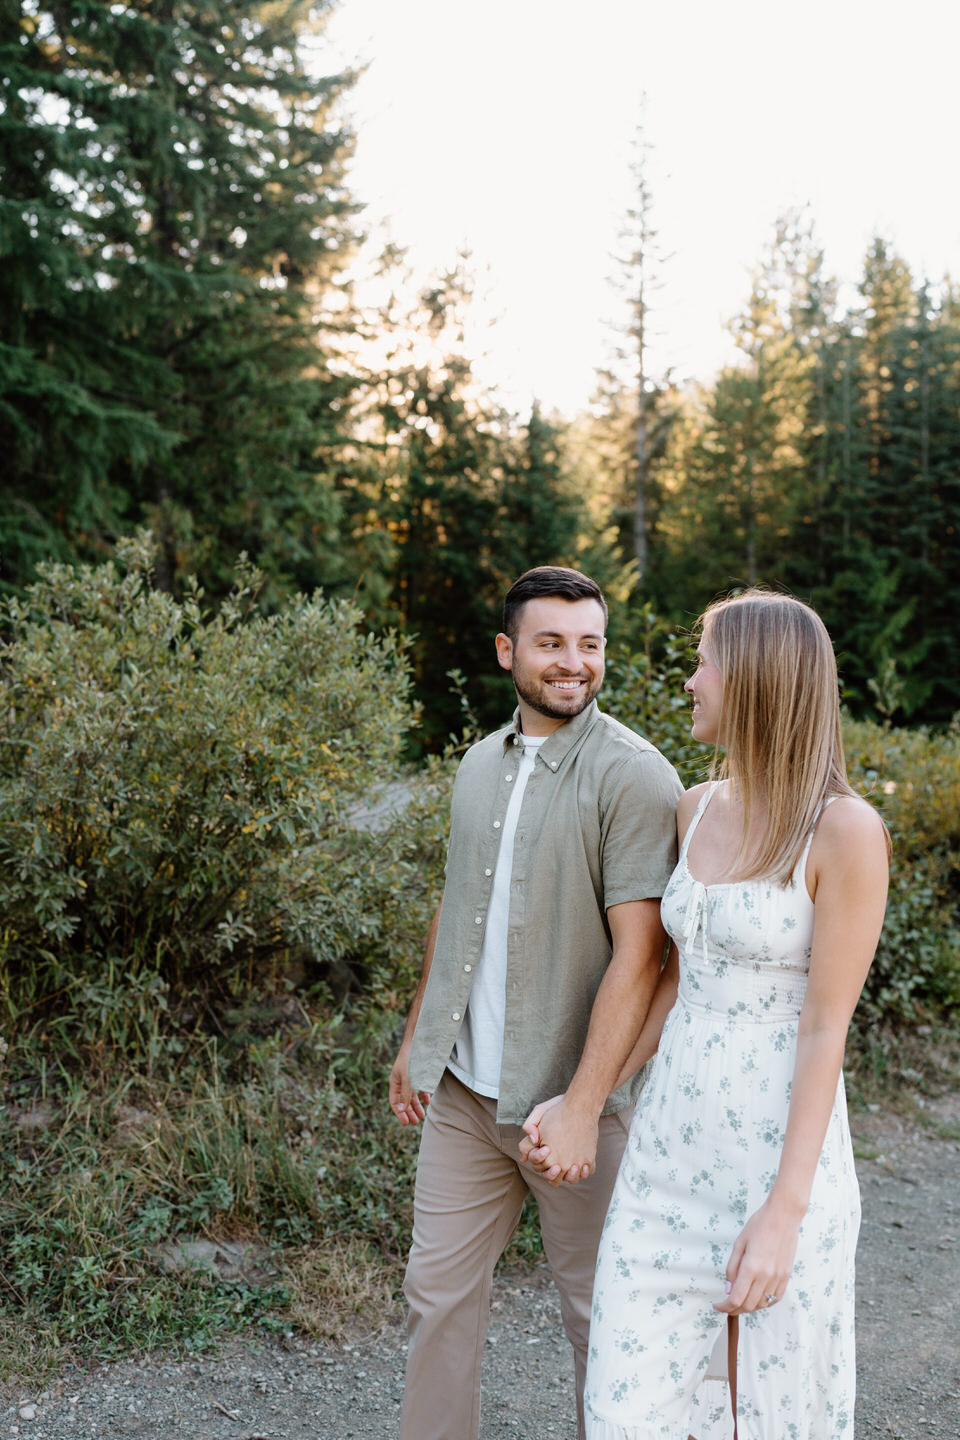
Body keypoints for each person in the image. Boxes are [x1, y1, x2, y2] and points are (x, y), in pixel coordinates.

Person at [522, 588, 890, 1440]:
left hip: (776, 1170)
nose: (690, 681)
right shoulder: (696, 807)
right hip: (664, 1163)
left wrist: (783, 1212)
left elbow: (825, 1027)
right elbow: (674, 984)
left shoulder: (844, 832)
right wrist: (584, 1100)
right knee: (626, 1410)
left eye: (704, 661)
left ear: (757, 679)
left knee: (773, 1416)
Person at [389, 565, 683, 1440]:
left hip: (576, 1105)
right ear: (507, 650)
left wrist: (587, 1107)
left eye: (589, 644)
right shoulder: (480, 763)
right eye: (552, 643)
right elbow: (457, 908)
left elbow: (645, 955)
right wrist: (417, 1040)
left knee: (602, 1320)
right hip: (468, 1100)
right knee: (434, 1301)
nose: (573, 663)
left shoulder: (635, 776)